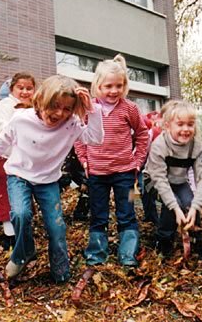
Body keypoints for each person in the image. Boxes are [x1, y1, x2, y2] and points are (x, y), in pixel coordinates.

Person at [0, 75, 104, 283]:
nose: (60, 113)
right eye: (55, 106)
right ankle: (23, 252)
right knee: (21, 213)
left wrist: (92, 110)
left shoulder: (72, 124)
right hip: (19, 175)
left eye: (67, 109)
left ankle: (60, 270)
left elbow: (95, 138)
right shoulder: (22, 118)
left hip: (48, 180)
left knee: (56, 227)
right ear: (41, 100)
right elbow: (5, 138)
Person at [75, 54, 149, 267]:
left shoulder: (130, 109)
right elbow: (78, 136)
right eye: (108, 86)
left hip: (125, 172)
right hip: (97, 173)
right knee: (98, 214)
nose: (113, 91)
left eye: (119, 85)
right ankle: (96, 254)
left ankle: (128, 255)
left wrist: (137, 161)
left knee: (126, 213)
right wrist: (85, 161)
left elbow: (143, 135)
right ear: (97, 85)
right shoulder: (89, 108)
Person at [146, 100, 202, 256]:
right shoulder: (159, 145)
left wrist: (195, 206)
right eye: (180, 124)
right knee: (173, 206)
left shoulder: (197, 147)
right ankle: (164, 240)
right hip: (154, 181)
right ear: (168, 126)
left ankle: (196, 238)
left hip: (179, 181)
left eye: (190, 124)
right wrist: (175, 207)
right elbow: (160, 180)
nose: (185, 129)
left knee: (188, 203)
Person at [0, 72, 36, 248]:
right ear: (12, 89)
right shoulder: (4, 105)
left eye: (29, 88)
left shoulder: (35, 108)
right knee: (4, 191)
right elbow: (1, 127)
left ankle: (21, 226)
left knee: (21, 192)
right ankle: (10, 234)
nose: (25, 92)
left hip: (22, 158)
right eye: (21, 88)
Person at [140, 110, 162, 225]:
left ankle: (155, 217)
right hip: (148, 166)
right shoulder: (151, 132)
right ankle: (151, 216)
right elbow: (144, 149)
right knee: (146, 191)